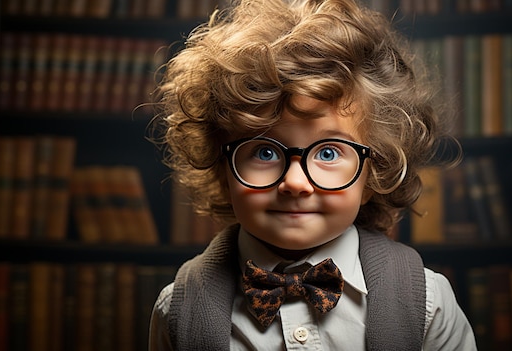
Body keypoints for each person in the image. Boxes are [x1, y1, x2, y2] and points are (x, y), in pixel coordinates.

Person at [149, 0, 476, 350]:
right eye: (265, 152)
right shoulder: (178, 311)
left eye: (329, 153)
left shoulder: (427, 303)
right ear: (222, 169)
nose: (294, 183)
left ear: (373, 172)